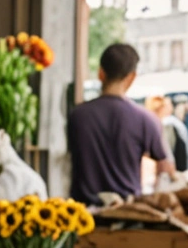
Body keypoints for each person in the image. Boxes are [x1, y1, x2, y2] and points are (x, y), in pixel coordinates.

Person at [67, 44, 174, 205]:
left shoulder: (78, 115)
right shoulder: (145, 119)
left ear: (101, 73)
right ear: (131, 77)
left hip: (84, 216)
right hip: (127, 215)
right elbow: (165, 167)